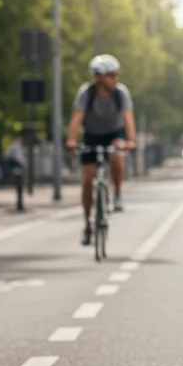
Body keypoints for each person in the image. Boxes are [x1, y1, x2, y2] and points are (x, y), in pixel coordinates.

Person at [66, 55, 136, 245]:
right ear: (99, 77)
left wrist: (131, 140)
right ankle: (87, 224)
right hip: (92, 134)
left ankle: (118, 193)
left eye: (116, 75)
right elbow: (76, 118)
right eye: (111, 75)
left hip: (114, 133)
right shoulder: (86, 93)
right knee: (88, 178)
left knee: (115, 153)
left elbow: (128, 118)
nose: (115, 79)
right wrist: (71, 140)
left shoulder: (120, 94)